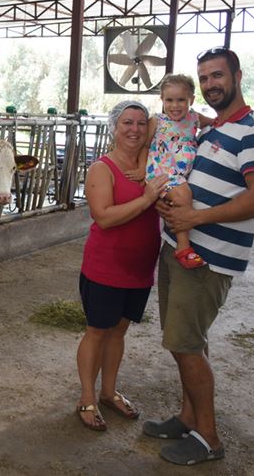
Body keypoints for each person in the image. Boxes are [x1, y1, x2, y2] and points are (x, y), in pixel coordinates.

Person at [145, 47, 254, 465]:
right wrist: (174, 213)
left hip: (208, 259)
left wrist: (195, 218)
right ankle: (188, 417)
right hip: (180, 248)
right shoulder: (212, 129)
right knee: (185, 341)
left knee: (185, 344)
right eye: (204, 78)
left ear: (237, 75)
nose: (210, 85)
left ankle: (208, 437)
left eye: (217, 75)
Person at [75, 100, 167, 431]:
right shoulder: (103, 168)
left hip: (140, 268)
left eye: (141, 123)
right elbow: (104, 216)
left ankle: (109, 392)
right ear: (114, 128)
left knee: (119, 330)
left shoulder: (153, 167)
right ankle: (86, 397)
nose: (135, 129)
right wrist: (146, 198)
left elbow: (168, 119)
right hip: (106, 266)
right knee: (97, 331)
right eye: (127, 122)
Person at [128, 74, 213, 269]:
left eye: (181, 100)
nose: (175, 105)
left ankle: (180, 243)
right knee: (184, 196)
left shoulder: (195, 118)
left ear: (191, 100)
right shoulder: (157, 121)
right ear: (162, 100)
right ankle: (183, 247)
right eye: (169, 100)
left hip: (180, 173)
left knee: (182, 198)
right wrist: (142, 169)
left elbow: (217, 121)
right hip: (162, 172)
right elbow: (144, 146)